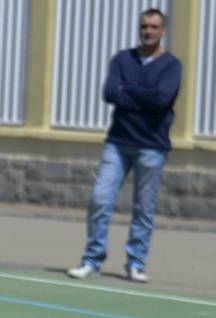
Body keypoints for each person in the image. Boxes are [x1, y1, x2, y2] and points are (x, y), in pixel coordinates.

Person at [67, 8, 181, 284]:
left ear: (162, 31)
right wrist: (143, 96)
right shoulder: (122, 59)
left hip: (152, 147)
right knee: (100, 199)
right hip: (117, 144)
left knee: (144, 207)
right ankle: (92, 260)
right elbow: (109, 92)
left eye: (154, 27)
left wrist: (127, 91)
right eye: (144, 26)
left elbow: (161, 100)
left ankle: (136, 263)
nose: (148, 31)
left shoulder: (171, 65)